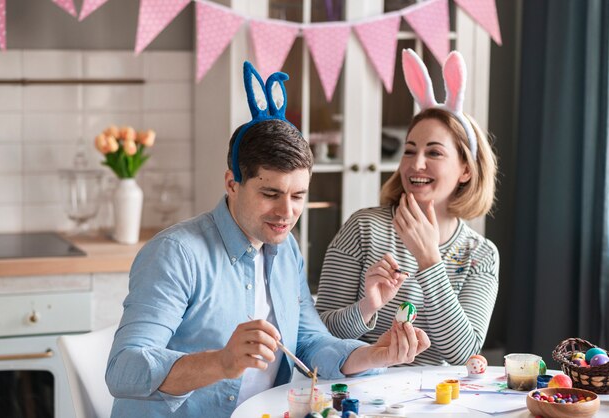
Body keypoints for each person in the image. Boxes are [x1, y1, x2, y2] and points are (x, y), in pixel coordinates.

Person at [105, 62, 430, 418]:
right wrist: (221, 362)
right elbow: (124, 370)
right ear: (232, 183)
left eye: (298, 196)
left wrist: (373, 355)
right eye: (270, 193)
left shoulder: (286, 248)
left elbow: (309, 342)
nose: (286, 212)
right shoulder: (176, 254)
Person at [315, 49, 499, 366]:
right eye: (410, 151)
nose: (417, 164)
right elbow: (318, 335)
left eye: (435, 153)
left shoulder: (480, 255)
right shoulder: (364, 228)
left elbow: (464, 354)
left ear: (466, 170)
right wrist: (367, 308)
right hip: (360, 394)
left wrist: (429, 260)